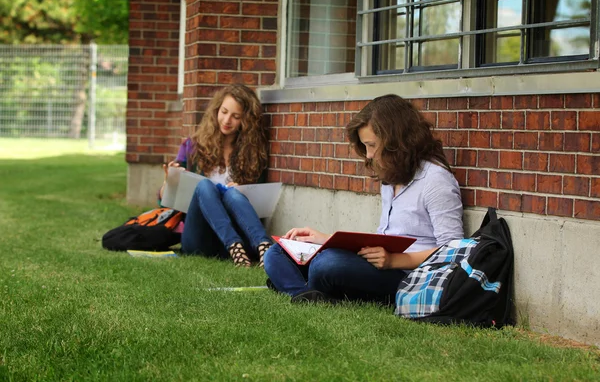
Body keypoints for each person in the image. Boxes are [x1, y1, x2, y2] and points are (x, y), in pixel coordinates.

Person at [263, 94, 464, 304]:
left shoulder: (436, 180)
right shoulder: (391, 175)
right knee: (278, 252)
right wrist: (324, 239)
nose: (368, 155)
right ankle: (302, 293)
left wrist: (395, 260)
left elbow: (454, 250)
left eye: (372, 145)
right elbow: (385, 236)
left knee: (326, 264)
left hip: (406, 274)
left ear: (397, 142)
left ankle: (294, 285)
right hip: (377, 263)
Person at [159, 84, 272, 267]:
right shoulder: (193, 146)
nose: (227, 120)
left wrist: (242, 191)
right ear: (216, 110)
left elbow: (260, 201)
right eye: (224, 112)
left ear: (246, 121)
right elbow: (163, 200)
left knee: (233, 194)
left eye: (236, 117)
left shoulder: (253, 153)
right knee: (204, 185)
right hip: (199, 238)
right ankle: (234, 246)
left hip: (240, 234)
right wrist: (169, 181)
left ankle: (264, 247)